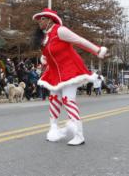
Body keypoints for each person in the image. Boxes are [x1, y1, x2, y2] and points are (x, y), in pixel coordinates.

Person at [33, 8, 108, 146]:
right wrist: (44, 57)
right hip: (55, 72)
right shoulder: (45, 36)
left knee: (68, 100)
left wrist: (98, 50)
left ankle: (79, 135)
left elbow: (80, 41)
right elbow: (50, 52)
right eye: (38, 19)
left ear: (50, 19)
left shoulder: (60, 30)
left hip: (70, 70)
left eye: (42, 18)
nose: (39, 21)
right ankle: (53, 129)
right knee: (54, 99)